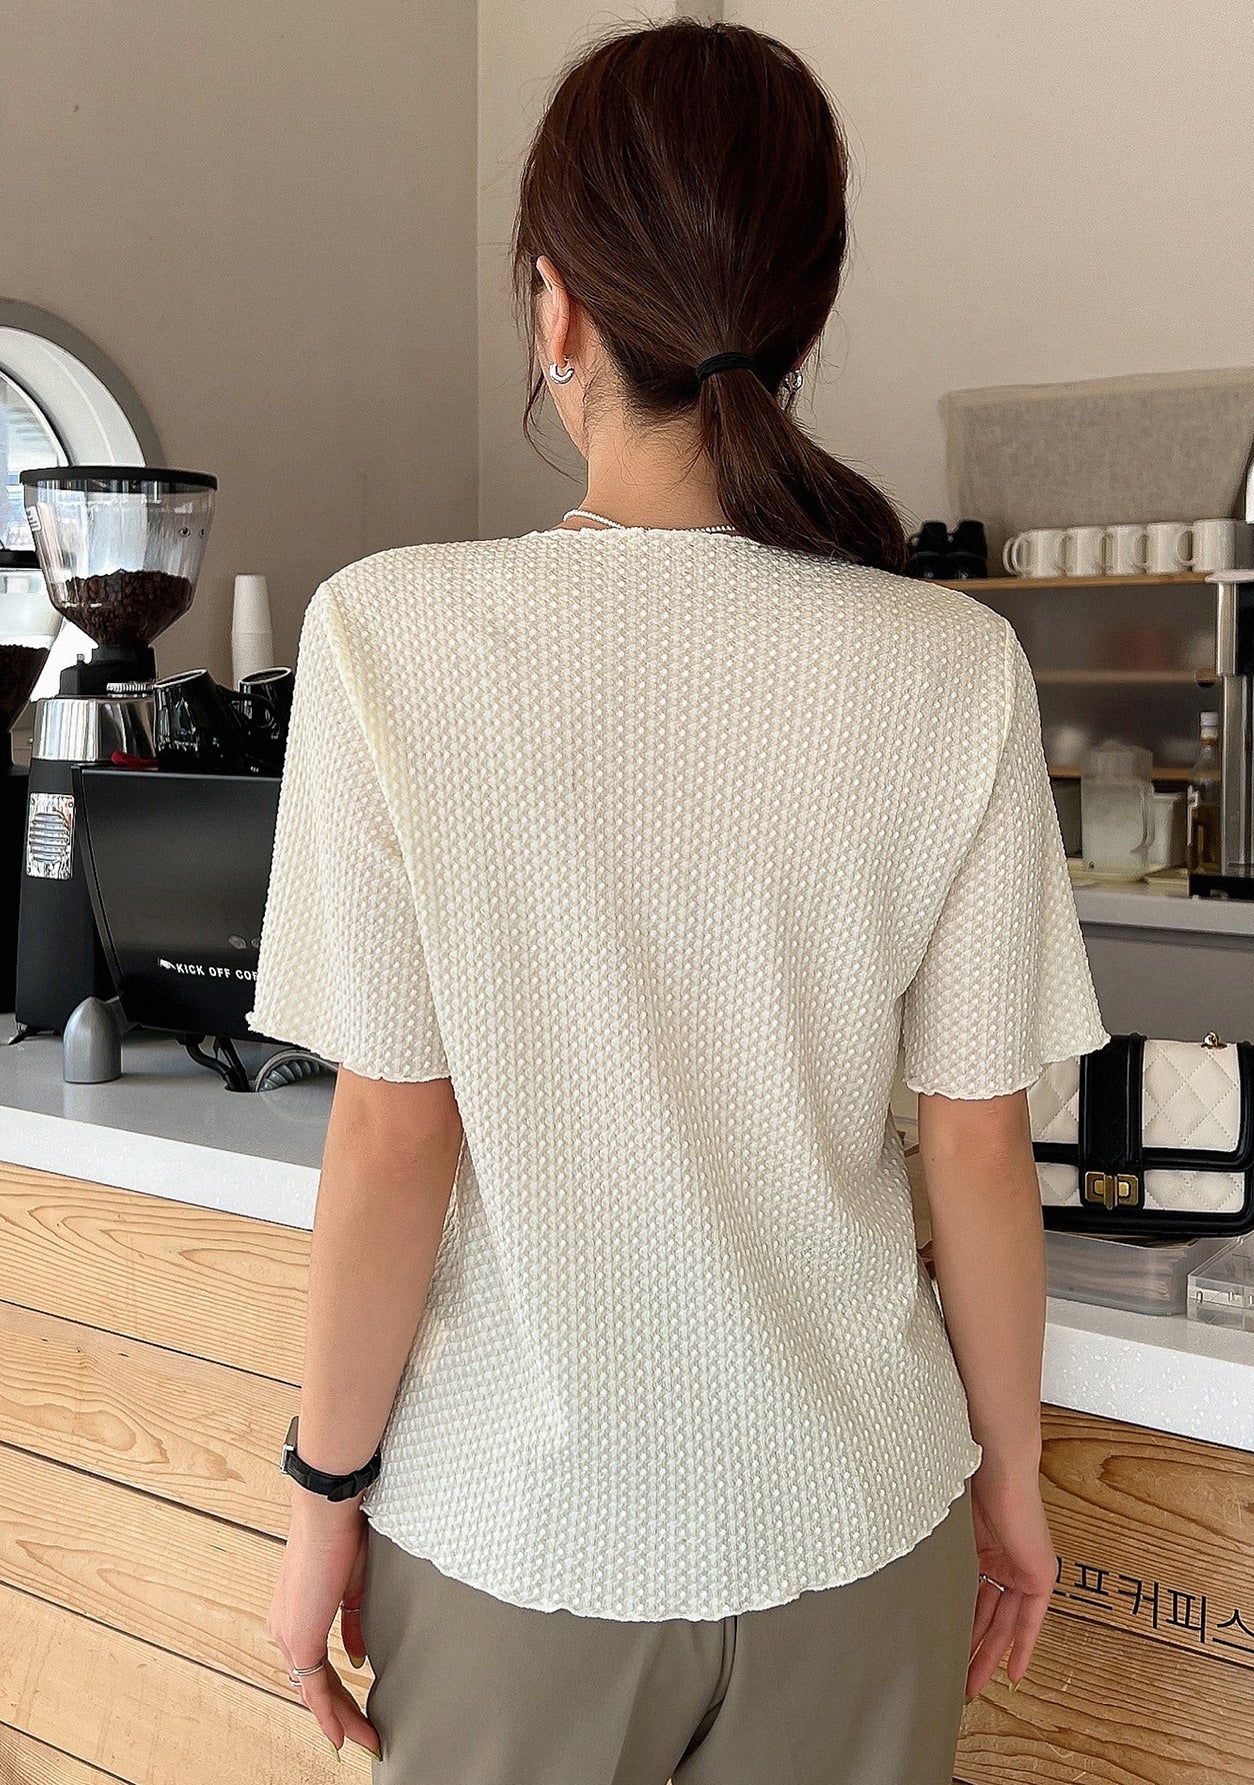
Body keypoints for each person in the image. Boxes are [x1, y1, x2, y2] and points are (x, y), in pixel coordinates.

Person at [253, 18, 1109, 1784]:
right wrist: (1012, 1476)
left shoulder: (386, 635)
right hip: (862, 1520)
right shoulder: (953, 664)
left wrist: (323, 1496)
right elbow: (976, 1140)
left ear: (555, 309)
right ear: (801, 314)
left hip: (516, 1536)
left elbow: (394, 1135)